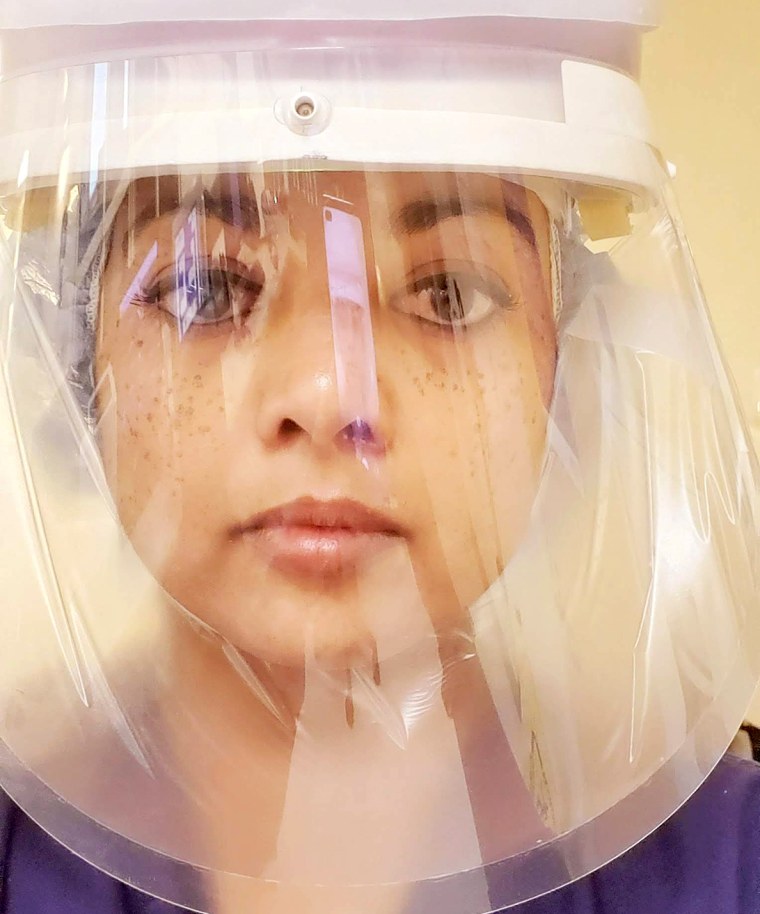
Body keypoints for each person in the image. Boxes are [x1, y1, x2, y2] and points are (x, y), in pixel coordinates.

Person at [0, 2, 759, 913]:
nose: (332, 396)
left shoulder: (734, 864)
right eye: (204, 286)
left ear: (566, 366)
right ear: (79, 359)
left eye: (449, 291)